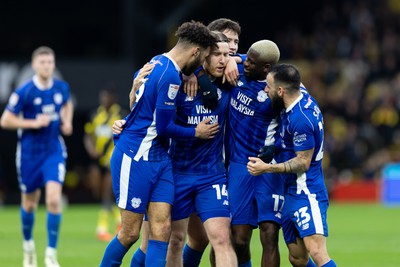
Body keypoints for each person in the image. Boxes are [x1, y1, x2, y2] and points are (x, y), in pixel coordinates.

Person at [99, 21, 218, 267]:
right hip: (136, 156)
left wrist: (132, 96)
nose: (201, 65)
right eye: (204, 57)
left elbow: (141, 105)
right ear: (195, 52)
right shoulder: (171, 77)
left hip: (160, 158)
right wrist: (197, 131)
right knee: (130, 233)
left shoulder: (155, 62)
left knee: (162, 229)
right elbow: (164, 127)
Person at [247, 63, 336, 267]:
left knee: (317, 251)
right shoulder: (298, 96)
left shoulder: (300, 119)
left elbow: (303, 162)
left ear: (280, 90)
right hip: (290, 192)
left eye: (268, 86)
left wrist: (266, 168)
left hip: (307, 192)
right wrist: (276, 148)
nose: (265, 90)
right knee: (297, 258)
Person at [0, 46, 74, 267]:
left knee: (52, 199)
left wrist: (67, 120)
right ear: (34, 65)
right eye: (42, 62)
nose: (46, 66)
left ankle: (51, 254)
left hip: (53, 150)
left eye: (50, 62)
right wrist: (32, 122)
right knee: (30, 204)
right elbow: (5, 120)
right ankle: (28, 246)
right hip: (29, 154)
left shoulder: (61, 88)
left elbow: (67, 103)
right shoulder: (25, 92)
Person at [183, 18, 242, 266]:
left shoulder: (229, 81)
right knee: (184, 240)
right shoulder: (182, 78)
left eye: (232, 47)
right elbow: (147, 76)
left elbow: (262, 60)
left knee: (221, 239)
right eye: (219, 50)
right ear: (203, 53)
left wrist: (232, 60)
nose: (227, 53)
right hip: (177, 171)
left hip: (213, 174)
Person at [226, 40, 283, 267]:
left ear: (266, 68)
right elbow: (203, 63)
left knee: (269, 235)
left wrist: (276, 147)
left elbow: (293, 123)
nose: (246, 64)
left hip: (268, 168)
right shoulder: (235, 71)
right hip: (239, 166)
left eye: (251, 62)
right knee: (238, 240)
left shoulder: (279, 90)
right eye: (246, 59)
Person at [83, 84, 123, 242]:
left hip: (112, 159)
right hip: (97, 159)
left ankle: (102, 227)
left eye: (107, 97)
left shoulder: (121, 114)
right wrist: (91, 149)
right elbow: (87, 134)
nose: (104, 100)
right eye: (102, 97)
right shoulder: (95, 115)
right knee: (99, 192)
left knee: (107, 192)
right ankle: (119, 222)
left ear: (113, 99)